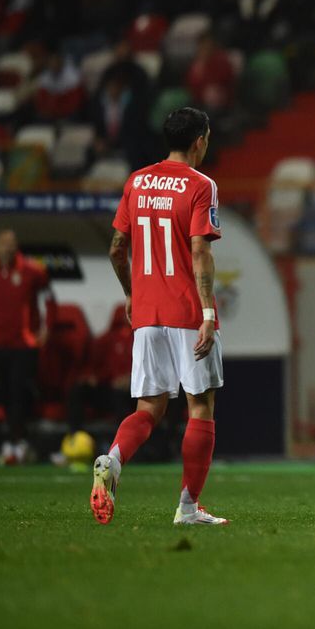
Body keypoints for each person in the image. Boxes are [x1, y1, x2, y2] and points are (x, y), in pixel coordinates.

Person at [90, 107, 227, 526]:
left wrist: (131, 294)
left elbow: (117, 247)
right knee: (199, 407)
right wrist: (207, 312)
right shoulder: (201, 185)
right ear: (199, 140)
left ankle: (112, 461)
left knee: (148, 407)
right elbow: (201, 250)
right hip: (187, 311)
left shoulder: (137, 181)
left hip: (147, 313)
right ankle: (188, 507)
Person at [0, 229, 56, 465]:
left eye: (12, 243)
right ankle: (11, 440)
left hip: (24, 345)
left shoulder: (32, 271)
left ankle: (16, 441)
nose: (8, 247)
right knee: (2, 393)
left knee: (18, 392)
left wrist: (47, 328)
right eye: (3, 243)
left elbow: (49, 300)